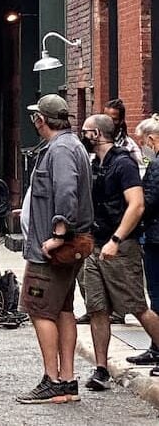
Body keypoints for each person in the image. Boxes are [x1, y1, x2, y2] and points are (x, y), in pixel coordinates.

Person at [15, 95, 93, 404]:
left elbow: (66, 191)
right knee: (63, 309)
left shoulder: (60, 150)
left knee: (38, 310)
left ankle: (53, 379)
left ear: (41, 120)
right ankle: (67, 381)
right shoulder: (71, 146)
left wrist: (58, 235)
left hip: (50, 252)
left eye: (35, 117)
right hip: (63, 249)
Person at [80, 114, 159, 392]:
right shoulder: (96, 164)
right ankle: (101, 369)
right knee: (97, 309)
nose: (83, 135)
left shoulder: (123, 163)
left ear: (98, 134)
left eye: (86, 131)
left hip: (120, 246)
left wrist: (117, 239)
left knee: (137, 306)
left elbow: (136, 205)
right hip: (95, 245)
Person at [128, 114, 159, 372]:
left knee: (157, 295)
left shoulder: (157, 165)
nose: (143, 147)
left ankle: (157, 348)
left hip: (156, 238)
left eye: (143, 141)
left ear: (152, 139)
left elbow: (149, 201)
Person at [104, 98, 143, 166]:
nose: (108, 122)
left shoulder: (129, 146)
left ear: (121, 121)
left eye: (113, 119)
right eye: (105, 118)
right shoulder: (96, 141)